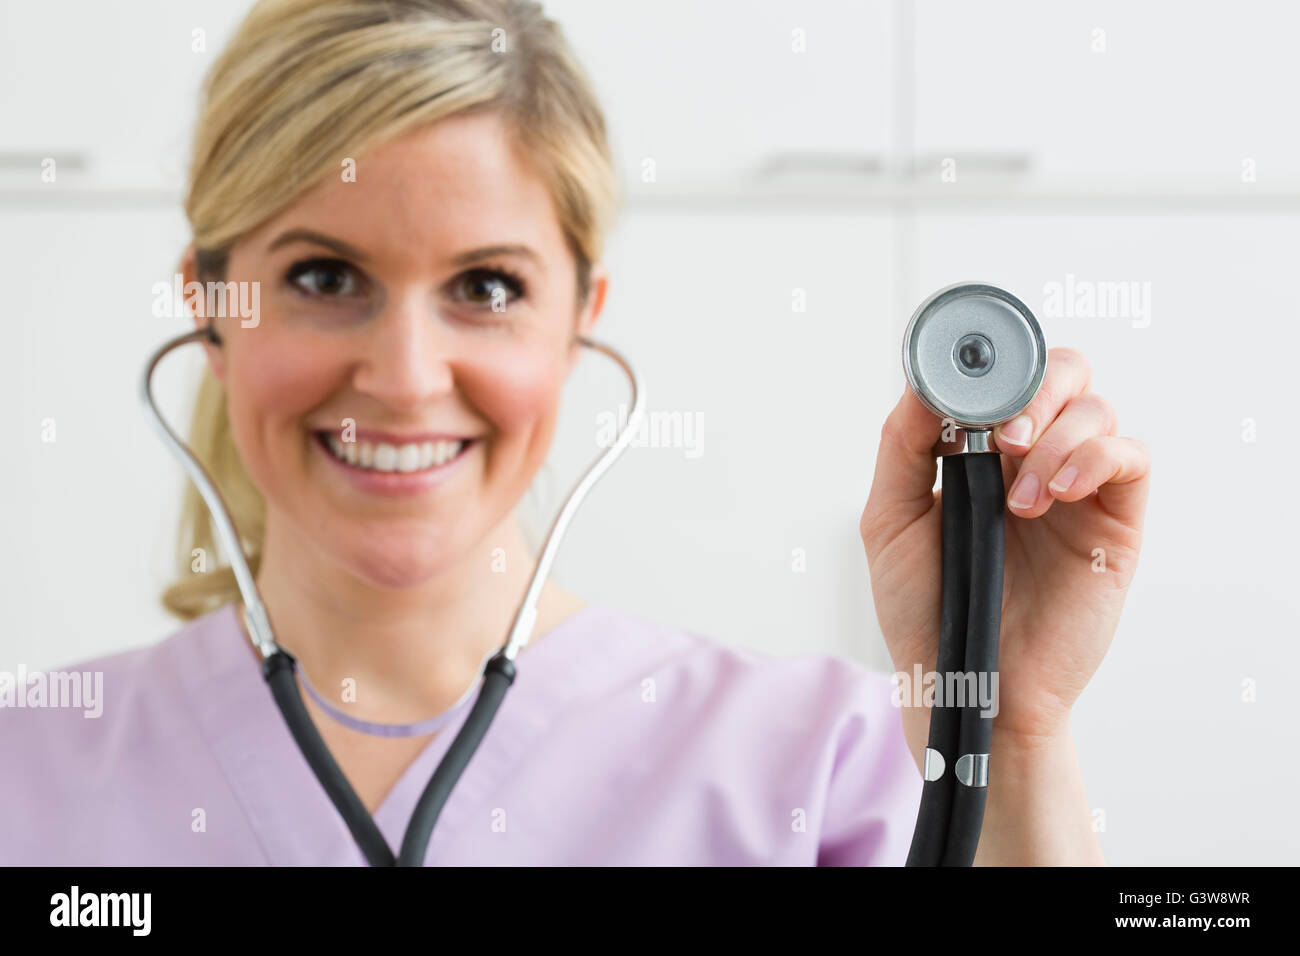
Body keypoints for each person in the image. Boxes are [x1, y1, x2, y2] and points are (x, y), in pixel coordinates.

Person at [0, 0, 1149, 866]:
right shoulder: (28, 775)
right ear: (211, 307)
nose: (404, 377)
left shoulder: (832, 766)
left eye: (486, 286)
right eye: (321, 274)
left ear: (578, 320)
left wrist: (1009, 726)